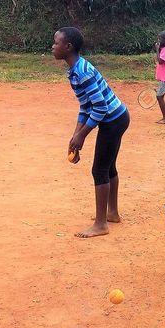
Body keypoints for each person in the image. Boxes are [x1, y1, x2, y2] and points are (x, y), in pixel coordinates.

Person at [52, 27, 130, 238]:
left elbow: (101, 108)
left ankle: (100, 224)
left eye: (56, 42)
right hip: (116, 117)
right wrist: (75, 136)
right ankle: (111, 212)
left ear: (67, 47)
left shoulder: (82, 72)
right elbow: (86, 106)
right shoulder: (75, 70)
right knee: (108, 166)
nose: (52, 46)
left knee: (99, 170)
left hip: (113, 120)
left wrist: (82, 135)